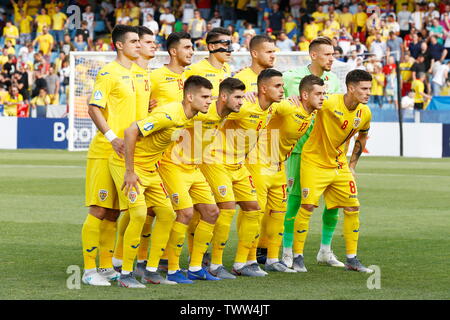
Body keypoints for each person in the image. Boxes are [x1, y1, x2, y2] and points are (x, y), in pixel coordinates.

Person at [119, 75, 213, 287]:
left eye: (211, 97)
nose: (209, 101)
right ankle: (125, 273)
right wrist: (129, 171)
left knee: (168, 214)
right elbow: (131, 131)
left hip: (150, 169)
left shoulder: (186, 116)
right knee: (139, 214)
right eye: (205, 96)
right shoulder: (170, 115)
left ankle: (151, 271)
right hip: (129, 168)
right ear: (189, 97)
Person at [159, 78, 246, 283]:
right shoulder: (203, 111)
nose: (242, 102)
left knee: (212, 212)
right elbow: (177, 113)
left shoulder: (223, 113)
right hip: (173, 165)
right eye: (238, 98)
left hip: (193, 167)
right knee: (184, 214)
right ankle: (171, 269)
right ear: (223, 97)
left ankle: (196, 267)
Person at [292, 69, 374, 274]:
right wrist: (294, 101)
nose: (368, 93)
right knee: (308, 206)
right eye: (364, 89)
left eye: (370, 88)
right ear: (351, 88)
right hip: (314, 162)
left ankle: (352, 258)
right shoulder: (329, 102)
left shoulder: (365, 112)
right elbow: (308, 103)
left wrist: (352, 164)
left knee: (353, 207)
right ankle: (297, 257)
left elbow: (362, 137)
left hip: (339, 165)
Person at [246, 74, 326, 273]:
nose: (323, 97)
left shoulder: (312, 112)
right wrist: (252, 95)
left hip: (278, 164)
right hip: (259, 161)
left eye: (324, 93)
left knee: (278, 213)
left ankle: (273, 260)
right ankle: (248, 261)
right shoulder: (289, 106)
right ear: (305, 95)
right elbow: (265, 106)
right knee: (256, 212)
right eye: (318, 94)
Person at [81, 25, 141, 287]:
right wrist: (111, 137)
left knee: (115, 212)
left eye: (141, 41)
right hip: (106, 150)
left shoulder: (139, 74)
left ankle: (105, 266)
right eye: (134, 41)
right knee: (99, 208)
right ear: (119, 45)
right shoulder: (108, 72)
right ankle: (88, 269)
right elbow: (94, 108)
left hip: (127, 154)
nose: (139, 45)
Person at [280, 37, 343, 269]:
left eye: (333, 54)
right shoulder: (290, 77)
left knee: (334, 202)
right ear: (314, 55)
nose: (332, 58)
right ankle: (287, 252)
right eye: (327, 54)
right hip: (299, 148)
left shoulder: (334, 80)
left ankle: (325, 251)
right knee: (295, 202)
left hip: (326, 151)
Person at [110, 27, 159, 282]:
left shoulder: (150, 74)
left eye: (152, 41)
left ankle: (135, 260)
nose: (151, 46)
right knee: (122, 210)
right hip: (124, 151)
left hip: (150, 152)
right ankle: (120, 262)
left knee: (145, 211)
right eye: (145, 41)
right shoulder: (121, 73)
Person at [184, 27, 232, 99]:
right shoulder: (194, 70)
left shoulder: (227, 68)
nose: (230, 49)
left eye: (229, 45)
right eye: (225, 45)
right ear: (212, 47)